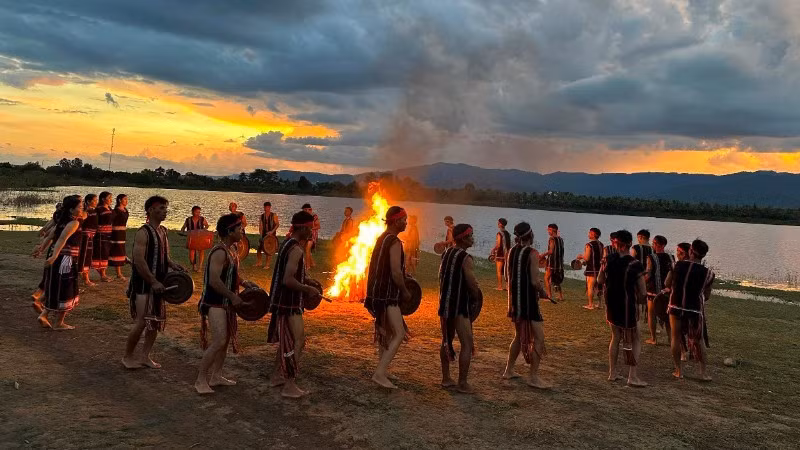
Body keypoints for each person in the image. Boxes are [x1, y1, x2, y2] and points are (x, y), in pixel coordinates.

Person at [123, 195, 184, 369]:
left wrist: (173, 265)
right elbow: (138, 260)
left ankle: (144, 356)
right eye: (161, 208)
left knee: (155, 321)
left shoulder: (163, 230)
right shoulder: (143, 232)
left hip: (159, 284)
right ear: (150, 210)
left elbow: (165, 256)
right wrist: (152, 281)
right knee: (142, 321)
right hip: (143, 285)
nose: (165, 211)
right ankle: (127, 357)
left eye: (166, 208)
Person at [195, 214, 251, 394]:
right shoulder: (219, 252)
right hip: (214, 302)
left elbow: (230, 274)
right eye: (239, 228)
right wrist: (233, 296)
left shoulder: (232, 250)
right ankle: (200, 380)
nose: (242, 231)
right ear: (229, 231)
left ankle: (216, 376)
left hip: (226, 302)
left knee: (224, 340)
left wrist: (244, 283)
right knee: (219, 340)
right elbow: (214, 280)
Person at [267, 210, 321, 398]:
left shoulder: (287, 244)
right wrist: (308, 290)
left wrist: (308, 280)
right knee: (298, 341)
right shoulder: (297, 250)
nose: (312, 233)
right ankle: (289, 384)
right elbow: (287, 279)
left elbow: (293, 273)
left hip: (283, 301)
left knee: (285, 341)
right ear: (303, 228)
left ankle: (276, 376)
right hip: (290, 303)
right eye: (310, 229)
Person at [365, 206, 411, 389]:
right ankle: (380, 373)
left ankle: (381, 369)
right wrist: (405, 291)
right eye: (404, 219)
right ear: (396, 221)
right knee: (399, 333)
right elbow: (395, 272)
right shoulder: (394, 242)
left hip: (377, 293)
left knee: (387, 333)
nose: (406, 223)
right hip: (387, 295)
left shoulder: (382, 238)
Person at [502, 222, 551, 389]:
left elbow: (507, 277)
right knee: (539, 337)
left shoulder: (510, 252)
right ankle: (533, 377)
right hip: (528, 302)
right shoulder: (532, 253)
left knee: (517, 336)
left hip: (514, 301)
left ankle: (508, 371)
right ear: (531, 235)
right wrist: (543, 292)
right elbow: (534, 281)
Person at [597, 230, 647, 387]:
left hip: (611, 304)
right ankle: (632, 376)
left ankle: (612, 373)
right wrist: (640, 304)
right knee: (636, 339)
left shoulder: (608, 260)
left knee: (615, 337)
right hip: (627, 306)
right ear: (629, 244)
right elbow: (643, 292)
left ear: (616, 243)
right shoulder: (635, 264)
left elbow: (599, 279)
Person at [438, 224, 481, 394]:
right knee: (467, 344)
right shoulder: (466, 257)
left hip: (445, 304)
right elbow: (471, 283)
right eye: (470, 236)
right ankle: (462, 383)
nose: (472, 239)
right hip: (459, 306)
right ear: (463, 239)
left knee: (446, 340)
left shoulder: (446, 253)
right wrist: (476, 296)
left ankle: (446, 378)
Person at [666, 239, 714, 381]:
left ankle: (678, 370)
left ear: (691, 251)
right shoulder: (708, 274)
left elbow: (667, 283)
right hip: (694, 308)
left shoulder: (676, 265)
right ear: (703, 255)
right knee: (698, 341)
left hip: (675, 305)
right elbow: (707, 295)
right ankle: (703, 373)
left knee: (675, 337)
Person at [36, 195, 83, 330]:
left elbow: (52, 236)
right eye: (79, 207)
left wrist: (42, 250)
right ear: (71, 210)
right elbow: (61, 239)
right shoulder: (73, 223)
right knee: (66, 289)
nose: (82, 209)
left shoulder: (62, 221)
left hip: (59, 259)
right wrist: (54, 255)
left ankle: (44, 315)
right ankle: (59, 323)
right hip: (65, 259)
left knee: (56, 286)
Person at [645, 235, 674, 345]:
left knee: (651, 314)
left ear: (658, 245)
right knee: (667, 315)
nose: (653, 245)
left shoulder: (651, 257)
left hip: (654, 290)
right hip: (667, 291)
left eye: (654, 243)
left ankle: (653, 338)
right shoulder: (671, 257)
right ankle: (671, 339)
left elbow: (648, 274)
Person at [577, 228, 604, 310]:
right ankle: (599, 304)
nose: (588, 234)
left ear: (593, 234)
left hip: (591, 269)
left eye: (589, 233)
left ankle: (590, 304)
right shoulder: (601, 244)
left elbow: (587, 258)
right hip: (599, 269)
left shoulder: (589, 245)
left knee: (590, 286)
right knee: (599, 287)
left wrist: (580, 256)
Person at [91, 191, 113, 282]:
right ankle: (102, 274)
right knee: (100, 253)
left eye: (111, 198)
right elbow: (95, 222)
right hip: (100, 234)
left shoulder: (109, 208)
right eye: (109, 198)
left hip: (108, 234)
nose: (111, 200)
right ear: (103, 199)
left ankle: (103, 273)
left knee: (105, 253)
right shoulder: (99, 209)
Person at [540, 224, 565, 303]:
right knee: (556, 279)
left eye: (549, 230)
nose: (548, 231)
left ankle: (549, 295)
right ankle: (560, 296)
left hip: (552, 262)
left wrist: (542, 255)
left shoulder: (552, 239)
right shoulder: (560, 239)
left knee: (546, 278)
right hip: (559, 263)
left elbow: (551, 251)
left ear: (553, 230)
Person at [181, 206, 210, 272]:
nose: (198, 213)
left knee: (201, 251)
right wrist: (182, 232)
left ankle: (200, 267)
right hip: (191, 237)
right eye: (197, 212)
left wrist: (204, 230)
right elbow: (183, 227)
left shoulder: (202, 219)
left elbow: (207, 225)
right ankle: (194, 266)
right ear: (192, 212)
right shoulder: (188, 219)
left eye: (199, 212)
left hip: (200, 236)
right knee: (191, 252)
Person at [109, 194, 129, 280]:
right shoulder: (116, 211)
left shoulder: (125, 210)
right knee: (117, 251)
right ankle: (118, 273)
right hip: (116, 233)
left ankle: (119, 272)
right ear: (120, 200)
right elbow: (110, 221)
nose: (126, 201)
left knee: (121, 251)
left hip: (122, 233)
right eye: (125, 199)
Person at [79, 194, 98, 286]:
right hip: (86, 237)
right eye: (94, 200)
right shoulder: (86, 212)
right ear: (88, 201)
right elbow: (80, 220)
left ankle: (86, 277)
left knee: (88, 256)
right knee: (84, 256)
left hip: (91, 237)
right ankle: (86, 279)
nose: (96, 202)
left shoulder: (93, 211)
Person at [257, 202, 279, 269]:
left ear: (270, 207)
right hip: (264, 234)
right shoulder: (262, 216)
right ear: (264, 208)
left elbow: (277, 224)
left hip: (271, 235)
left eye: (267, 207)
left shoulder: (274, 215)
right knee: (259, 248)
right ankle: (259, 262)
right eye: (265, 207)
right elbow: (260, 226)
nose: (266, 209)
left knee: (269, 250)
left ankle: (267, 265)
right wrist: (261, 235)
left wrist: (272, 232)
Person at [491, 218, 512, 291]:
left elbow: (499, 245)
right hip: (507, 254)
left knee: (499, 271)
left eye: (498, 223)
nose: (497, 224)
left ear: (501, 224)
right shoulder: (508, 233)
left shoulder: (499, 233)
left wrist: (493, 250)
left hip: (500, 254)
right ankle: (507, 286)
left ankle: (500, 286)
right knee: (506, 271)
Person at [300, 203, 320, 270]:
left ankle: (307, 266)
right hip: (306, 235)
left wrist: (311, 228)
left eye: (306, 210)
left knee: (307, 249)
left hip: (312, 236)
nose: (305, 211)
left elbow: (318, 226)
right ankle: (313, 263)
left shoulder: (314, 216)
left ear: (310, 210)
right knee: (306, 250)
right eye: (304, 210)